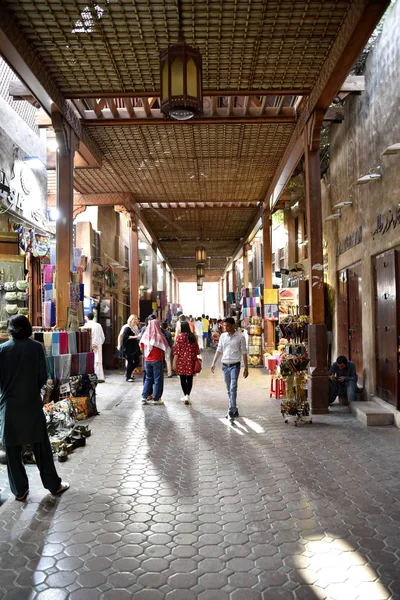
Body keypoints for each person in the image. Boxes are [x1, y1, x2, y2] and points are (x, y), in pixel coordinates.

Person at [0, 315, 69, 501]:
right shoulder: (36, 348)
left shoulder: (2, 350)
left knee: (13, 451)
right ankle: (54, 485)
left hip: (9, 406)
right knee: (41, 447)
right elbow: (42, 377)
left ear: (10, 329)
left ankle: (20, 491)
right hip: (31, 403)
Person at [211, 317, 249, 420]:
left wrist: (246, 367)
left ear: (233, 325)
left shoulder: (240, 337)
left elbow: (244, 352)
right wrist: (213, 363)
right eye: (224, 326)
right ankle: (234, 408)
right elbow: (219, 350)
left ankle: (231, 409)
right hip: (225, 366)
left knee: (233, 387)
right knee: (228, 388)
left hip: (235, 365)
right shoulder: (223, 336)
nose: (225, 327)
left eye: (227, 325)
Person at [140, 319, 169, 405]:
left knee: (148, 379)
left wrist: (146, 355)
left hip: (147, 360)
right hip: (157, 360)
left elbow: (141, 347)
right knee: (157, 379)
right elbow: (166, 347)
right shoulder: (159, 336)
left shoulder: (145, 336)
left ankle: (144, 397)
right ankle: (156, 398)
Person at [173, 321, 201, 404]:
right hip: (191, 360)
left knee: (182, 378)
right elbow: (197, 350)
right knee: (189, 378)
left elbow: (176, 351)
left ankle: (185, 395)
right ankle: (188, 395)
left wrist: (174, 362)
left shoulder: (179, 337)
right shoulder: (193, 336)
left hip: (181, 361)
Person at [83, 312, 106, 382]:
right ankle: (99, 377)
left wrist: (91, 344)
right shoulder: (98, 325)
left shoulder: (85, 326)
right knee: (98, 361)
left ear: (86, 317)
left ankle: (91, 377)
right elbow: (102, 336)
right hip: (98, 344)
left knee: (90, 360)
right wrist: (99, 343)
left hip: (88, 345)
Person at [121, 315, 141, 382]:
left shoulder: (135, 327)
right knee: (130, 362)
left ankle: (128, 373)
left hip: (134, 347)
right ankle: (128, 376)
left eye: (136, 319)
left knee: (137, 361)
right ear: (131, 320)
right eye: (134, 319)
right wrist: (135, 337)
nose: (135, 321)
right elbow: (124, 336)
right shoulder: (127, 328)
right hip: (129, 348)